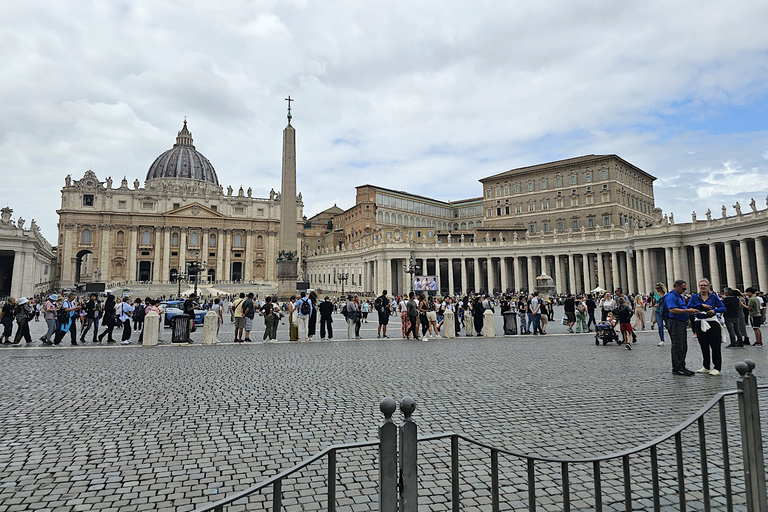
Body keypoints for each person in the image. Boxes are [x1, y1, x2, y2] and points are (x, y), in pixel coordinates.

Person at [689, 279, 726, 375]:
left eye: (705, 285)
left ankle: (717, 367)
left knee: (715, 346)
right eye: (701, 285)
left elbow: (723, 307)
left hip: (712, 322)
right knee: (703, 345)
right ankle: (706, 366)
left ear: (708, 286)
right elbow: (689, 306)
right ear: (699, 286)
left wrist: (714, 311)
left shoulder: (713, 297)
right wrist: (701, 305)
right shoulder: (694, 297)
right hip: (699, 322)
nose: (703, 287)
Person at [664, 279, 699, 376]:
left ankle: (682, 366)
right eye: (683, 288)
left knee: (683, 345)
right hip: (675, 322)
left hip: (681, 322)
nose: (684, 290)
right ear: (677, 287)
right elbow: (672, 310)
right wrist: (687, 311)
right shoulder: (671, 296)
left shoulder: (678, 296)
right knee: (677, 345)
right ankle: (677, 368)